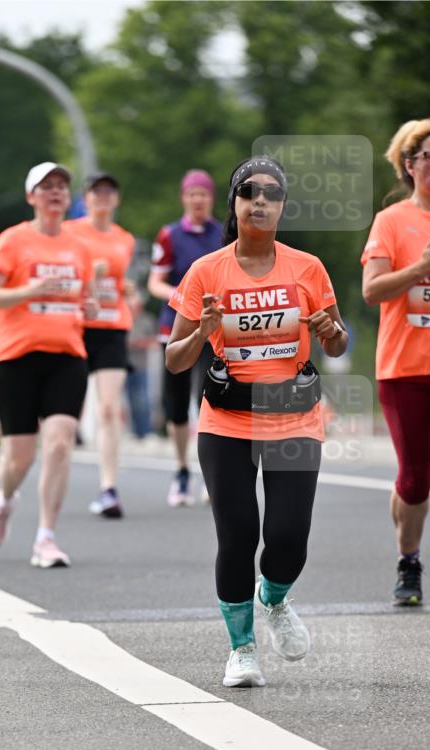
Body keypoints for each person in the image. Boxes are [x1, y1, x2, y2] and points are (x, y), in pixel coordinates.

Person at [166, 157, 347, 687]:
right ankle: (241, 648)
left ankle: (275, 597)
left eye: (271, 193)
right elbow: (176, 359)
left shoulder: (307, 268)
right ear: (235, 203)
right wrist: (202, 333)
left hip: (294, 416)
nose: (260, 200)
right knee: (239, 532)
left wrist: (328, 330)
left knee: (288, 536)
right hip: (227, 420)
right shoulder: (207, 271)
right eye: (249, 192)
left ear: (283, 205)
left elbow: (336, 344)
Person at [0, 161, 96, 568]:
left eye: (62, 185)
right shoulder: (12, 241)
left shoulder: (80, 247)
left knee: (61, 443)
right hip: (15, 358)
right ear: (32, 197)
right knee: (19, 459)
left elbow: (87, 300)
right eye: (46, 186)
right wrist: (31, 289)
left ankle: (46, 536)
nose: (56, 192)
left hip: (67, 356)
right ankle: (5, 499)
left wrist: (92, 307)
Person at [361, 118, 430, 607]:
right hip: (405, 370)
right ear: (410, 165)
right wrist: (420, 269)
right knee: (415, 479)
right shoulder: (392, 221)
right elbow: (372, 290)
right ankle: (408, 560)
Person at [148, 170, 223, 506]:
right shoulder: (169, 235)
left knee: (210, 400)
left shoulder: (224, 234)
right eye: (192, 194)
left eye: (203, 194)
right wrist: (184, 297)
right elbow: (155, 282)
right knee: (176, 405)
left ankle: (213, 472)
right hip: (176, 328)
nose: (198, 200)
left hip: (214, 331)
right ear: (183, 198)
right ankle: (181, 469)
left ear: (212, 198)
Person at [67, 172, 138, 518]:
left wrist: (129, 293)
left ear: (117, 199)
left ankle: (109, 487)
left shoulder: (125, 239)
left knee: (109, 408)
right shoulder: (71, 232)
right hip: (77, 326)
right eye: (98, 192)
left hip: (113, 326)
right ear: (87, 198)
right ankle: (58, 475)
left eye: (110, 191)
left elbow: (122, 281)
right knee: (67, 410)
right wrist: (89, 275)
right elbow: (64, 276)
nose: (104, 197)